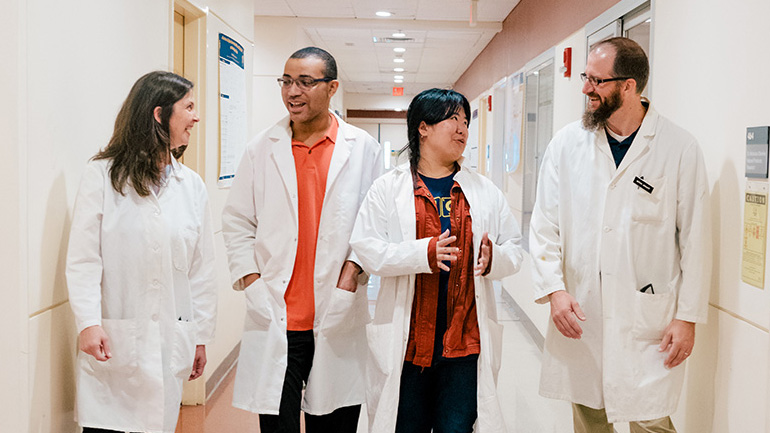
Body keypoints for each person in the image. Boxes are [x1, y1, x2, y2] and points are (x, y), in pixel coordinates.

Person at [529, 37, 711, 432]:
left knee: (651, 419)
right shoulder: (567, 144)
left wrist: (688, 318)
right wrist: (554, 291)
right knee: (590, 415)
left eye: (596, 81)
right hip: (582, 309)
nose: (585, 89)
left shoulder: (678, 147)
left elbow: (696, 239)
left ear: (629, 86)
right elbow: (544, 225)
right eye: (585, 77)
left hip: (647, 317)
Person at [222, 46, 382, 433]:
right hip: (277, 312)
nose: (293, 91)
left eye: (306, 82)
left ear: (332, 88)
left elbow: (376, 225)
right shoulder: (261, 149)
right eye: (287, 81)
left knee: (335, 422)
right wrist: (250, 279)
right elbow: (237, 221)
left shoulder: (363, 149)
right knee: (277, 425)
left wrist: (352, 273)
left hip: (336, 311)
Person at [350, 88, 525, 433]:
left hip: (464, 343)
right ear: (423, 128)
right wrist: (421, 254)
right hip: (409, 344)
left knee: (456, 427)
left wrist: (494, 260)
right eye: (452, 119)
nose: (462, 129)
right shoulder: (389, 189)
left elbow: (515, 249)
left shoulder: (484, 191)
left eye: (465, 121)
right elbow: (367, 248)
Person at [66, 71, 217, 433]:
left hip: (170, 339)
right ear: (158, 113)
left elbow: (202, 269)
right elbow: (84, 258)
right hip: (115, 341)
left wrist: (199, 336)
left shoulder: (191, 186)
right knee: (108, 426)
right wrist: (88, 322)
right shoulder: (101, 176)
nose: (197, 117)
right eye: (190, 107)